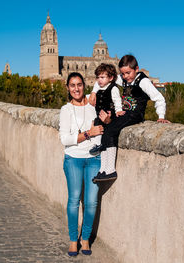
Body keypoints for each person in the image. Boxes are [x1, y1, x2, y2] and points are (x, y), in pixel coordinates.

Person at [89, 54, 171, 182]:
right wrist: (94, 92)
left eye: (128, 73)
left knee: (111, 131)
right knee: (105, 126)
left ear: (136, 69)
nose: (125, 76)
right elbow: (102, 80)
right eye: (123, 73)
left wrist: (161, 116)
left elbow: (159, 98)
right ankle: (103, 169)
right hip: (123, 113)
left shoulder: (142, 81)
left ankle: (110, 170)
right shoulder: (123, 79)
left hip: (135, 114)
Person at [59, 72, 106, 257]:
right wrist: (88, 133)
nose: (76, 89)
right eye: (72, 85)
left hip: (94, 158)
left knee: (92, 202)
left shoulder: (93, 105)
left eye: (79, 85)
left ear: (84, 86)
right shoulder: (66, 110)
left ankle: (85, 238)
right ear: (68, 88)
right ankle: (73, 240)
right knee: (74, 200)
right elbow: (65, 139)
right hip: (73, 159)